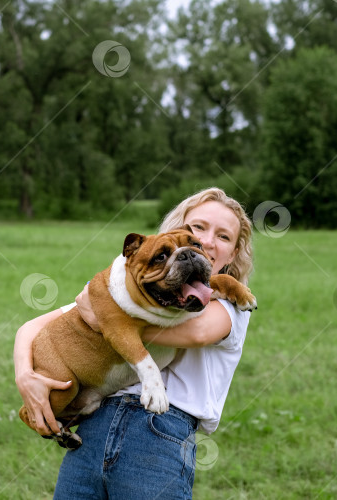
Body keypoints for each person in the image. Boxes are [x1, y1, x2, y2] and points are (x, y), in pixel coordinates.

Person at [13, 187, 254, 499]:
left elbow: (195, 333)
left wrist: (110, 319)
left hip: (159, 437)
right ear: (173, 230)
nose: (207, 242)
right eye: (198, 229)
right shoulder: (130, 283)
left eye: (223, 237)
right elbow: (32, 326)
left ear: (234, 252)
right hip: (94, 430)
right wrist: (25, 377)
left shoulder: (232, 303)